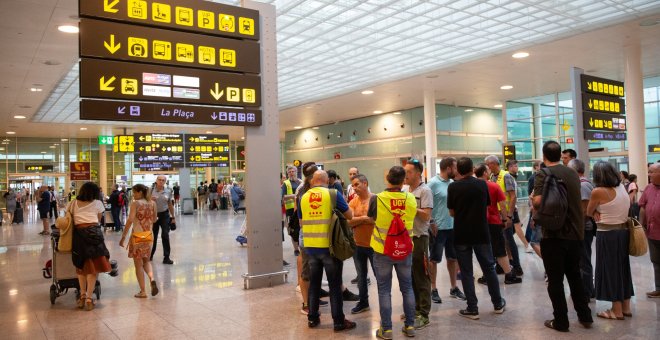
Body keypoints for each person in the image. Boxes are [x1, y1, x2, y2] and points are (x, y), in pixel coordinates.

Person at [533, 141, 592, 332]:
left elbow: (539, 201)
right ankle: (585, 316)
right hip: (575, 233)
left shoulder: (544, 174)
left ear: (544, 156)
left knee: (555, 280)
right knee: (575, 276)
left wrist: (535, 198)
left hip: (554, 234)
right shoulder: (573, 173)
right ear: (560, 155)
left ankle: (561, 321)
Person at [448, 157, 506, 320]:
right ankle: (497, 304)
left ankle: (472, 308)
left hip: (461, 234)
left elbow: (451, 212)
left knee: (466, 272)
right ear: (472, 169)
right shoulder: (482, 184)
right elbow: (487, 205)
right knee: (489, 268)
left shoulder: (453, 187)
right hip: (481, 232)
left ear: (458, 170)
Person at [300, 170, 356, 332]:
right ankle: (338, 321)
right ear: (327, 181)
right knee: (335, 285)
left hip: (311, 247)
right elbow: (350, 215)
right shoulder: (332, 194)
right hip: (330, 247)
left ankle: (313, 318)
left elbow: (302, 222)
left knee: (315, 285)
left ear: (312, 181)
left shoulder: (304, 197)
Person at [368, 165, 417, 338]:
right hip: (405, 249)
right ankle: (410, 326)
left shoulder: (377, 198)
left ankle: (386, 329)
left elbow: (372, 218)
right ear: (404, 180)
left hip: (383, 250)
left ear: (387, 178)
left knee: (384, 290)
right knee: (408, 288)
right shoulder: (411, 198)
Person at [586, 161, 633, 320]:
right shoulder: (622, 188)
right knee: (622, 269)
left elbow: (588, 211)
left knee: (610, 270)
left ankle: (616, 310)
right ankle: (626, 307)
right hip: (623, 232)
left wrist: (593, 213)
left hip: (607, 234)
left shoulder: (598, 191)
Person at [474, 163, 522, 285]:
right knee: (500, 249)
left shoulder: (473, 187)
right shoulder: (493, 186)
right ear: (485, 173)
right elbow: (502, 204)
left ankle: (486, 276)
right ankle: (509, 275)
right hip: (494, 222)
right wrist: (506, 219)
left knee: (484, 250)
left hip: (479, 223)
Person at [427, 157, 466, 304]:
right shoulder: (432, 184)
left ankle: (454, 287)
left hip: (452, 227)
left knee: (452, 258)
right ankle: (433, 289)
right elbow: (425, 204)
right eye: (455, 168)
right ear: (448, 168)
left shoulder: (452, 183)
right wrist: (431, 221)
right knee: (434, 259)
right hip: (438, 228)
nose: (457, 171)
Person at [69, 182, 111, 311]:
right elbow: (98, 220)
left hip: (78, 237)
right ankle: (88, 299)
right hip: (94, 236)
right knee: (94, 269)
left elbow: (70, 219)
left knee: (81, 266)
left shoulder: (73, 203)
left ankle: (81, 296)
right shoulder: (98, 203)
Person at [295, 162, 330, 315]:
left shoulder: (313, 191)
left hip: (316, 236)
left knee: (314, 271)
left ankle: (313, 299)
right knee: (307, 272)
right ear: (311, 178)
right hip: (309, 237)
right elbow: (301, 220)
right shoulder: (303, 193)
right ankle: (306, 304)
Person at [404, 159, 433, 329]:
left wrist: (410, 206)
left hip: (419, 238)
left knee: (422, 275)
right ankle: (415, 309)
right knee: (410, 275)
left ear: (417, 173)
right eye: (405, 171)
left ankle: (424, 313)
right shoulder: (404, 189)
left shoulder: (425, 191)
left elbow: (426, 216)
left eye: (409, 172)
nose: (405, 175)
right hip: (406, 238)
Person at [485, 155, 523, 277]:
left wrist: (510, 216)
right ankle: (503, 265)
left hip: (506, 214)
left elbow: (513, 196)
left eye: (488, 164)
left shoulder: (506, 176)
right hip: (497, 214)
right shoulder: (492, 176)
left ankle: (517, 266)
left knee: (509, 240)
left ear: (493, 164)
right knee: (501, 241)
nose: (487, 167)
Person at [120, 184, 159, 298]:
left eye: (135, 192)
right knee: (146, 262)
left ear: (140, 192)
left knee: (138, 266)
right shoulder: (153, 203)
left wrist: (123, 237)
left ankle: (143, 291)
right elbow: (155, 219)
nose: (133, 194)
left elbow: (130, 220)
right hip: (149, 236)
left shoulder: (135, 204)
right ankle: (152, 279)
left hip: (137, 237)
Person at [348, 174, 375, 315]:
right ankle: (363, 302)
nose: (354, 188)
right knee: (361, 276)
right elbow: (348, 221)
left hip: (375, 245)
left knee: (380, 276)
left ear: (365, 183)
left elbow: (376, 220)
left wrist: (357, 220)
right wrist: (365, 218)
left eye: (357, 184)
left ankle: (384, 302)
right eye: (353, 185)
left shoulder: (375, 199)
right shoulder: (353, 202)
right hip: (358, 245)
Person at [568, 159, 596, 300]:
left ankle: (586, 291)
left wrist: (576, 228)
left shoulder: (583, 185)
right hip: (582, 228)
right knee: (582, 260)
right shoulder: (583, 183)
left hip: (583, 229)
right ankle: (587, 288)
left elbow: (584, 211)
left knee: (584, 260)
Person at [639, 163, 660, 298]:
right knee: (656, 261)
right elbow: (642, 206)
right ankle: (658, 288)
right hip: (652, 232)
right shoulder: (648, 188)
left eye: (652, 172)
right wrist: (642, 224)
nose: (649, 174)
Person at [151, 175, 175, 265]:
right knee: (153, 236)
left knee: (165, 235)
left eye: (163, 180)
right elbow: (144, 202)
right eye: (159, 180)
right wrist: (149, 199)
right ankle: (150, 255)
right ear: (156, 180)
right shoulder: (150, 191)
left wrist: (173, 217)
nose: (161, 181)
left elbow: (170, 205)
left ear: (165, 182)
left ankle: (166, 257)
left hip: (164, 215)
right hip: (153, 215)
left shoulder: (168, 191)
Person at [282, 166, 302, 256]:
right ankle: (296, 249)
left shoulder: (301, 182)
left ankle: (302, 247)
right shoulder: (286, 183)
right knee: (292, 230)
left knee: (301, 228)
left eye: (293, 171)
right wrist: (295, 195)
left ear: (296, 172)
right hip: (290, 210)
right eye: (289, 171)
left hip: (301, 208)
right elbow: (283, 197)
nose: (291, 173)